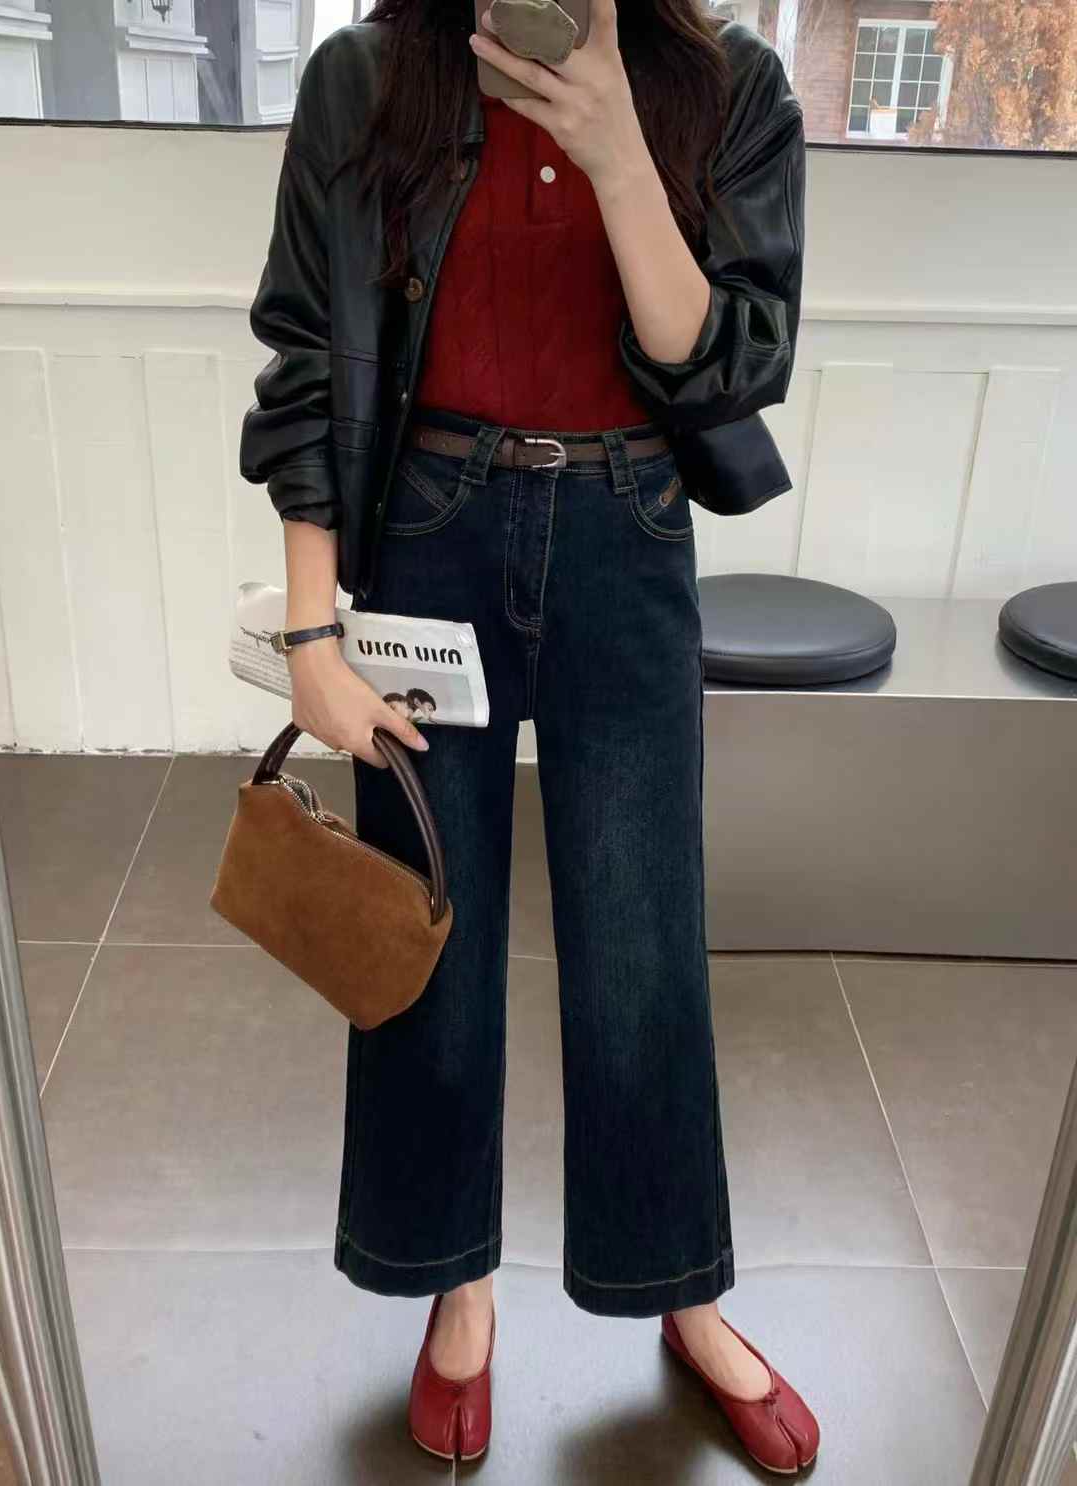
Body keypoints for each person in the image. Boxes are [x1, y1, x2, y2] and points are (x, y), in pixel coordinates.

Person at [241, 0, 818, 1473]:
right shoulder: (368, 77)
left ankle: (681, 1290)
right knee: (430, 934)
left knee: (642, 941)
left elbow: (733, 365)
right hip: (429, 530)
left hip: (631, 529)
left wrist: (619, 151)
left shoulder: (732, 87)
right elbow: (307, 351)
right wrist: (310, 634)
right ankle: (457, 1282)